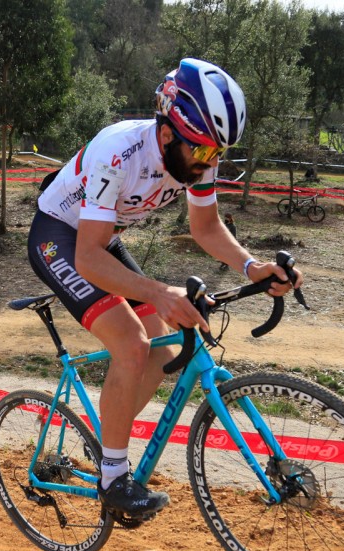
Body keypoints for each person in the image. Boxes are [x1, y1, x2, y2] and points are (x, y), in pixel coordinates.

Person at [29, 58, 301, 517]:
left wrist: (251, 266)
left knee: (164, 349)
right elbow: (87, 257)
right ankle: (114, 479)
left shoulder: (199, 150)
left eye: (217, 155)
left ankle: (104, 446)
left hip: (101, 238)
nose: (208, 163)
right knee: (131, 343)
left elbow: (207, 227)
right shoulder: (119, 151)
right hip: (60, 238)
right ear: (169, 131)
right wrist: (157, 291)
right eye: (202, 153)